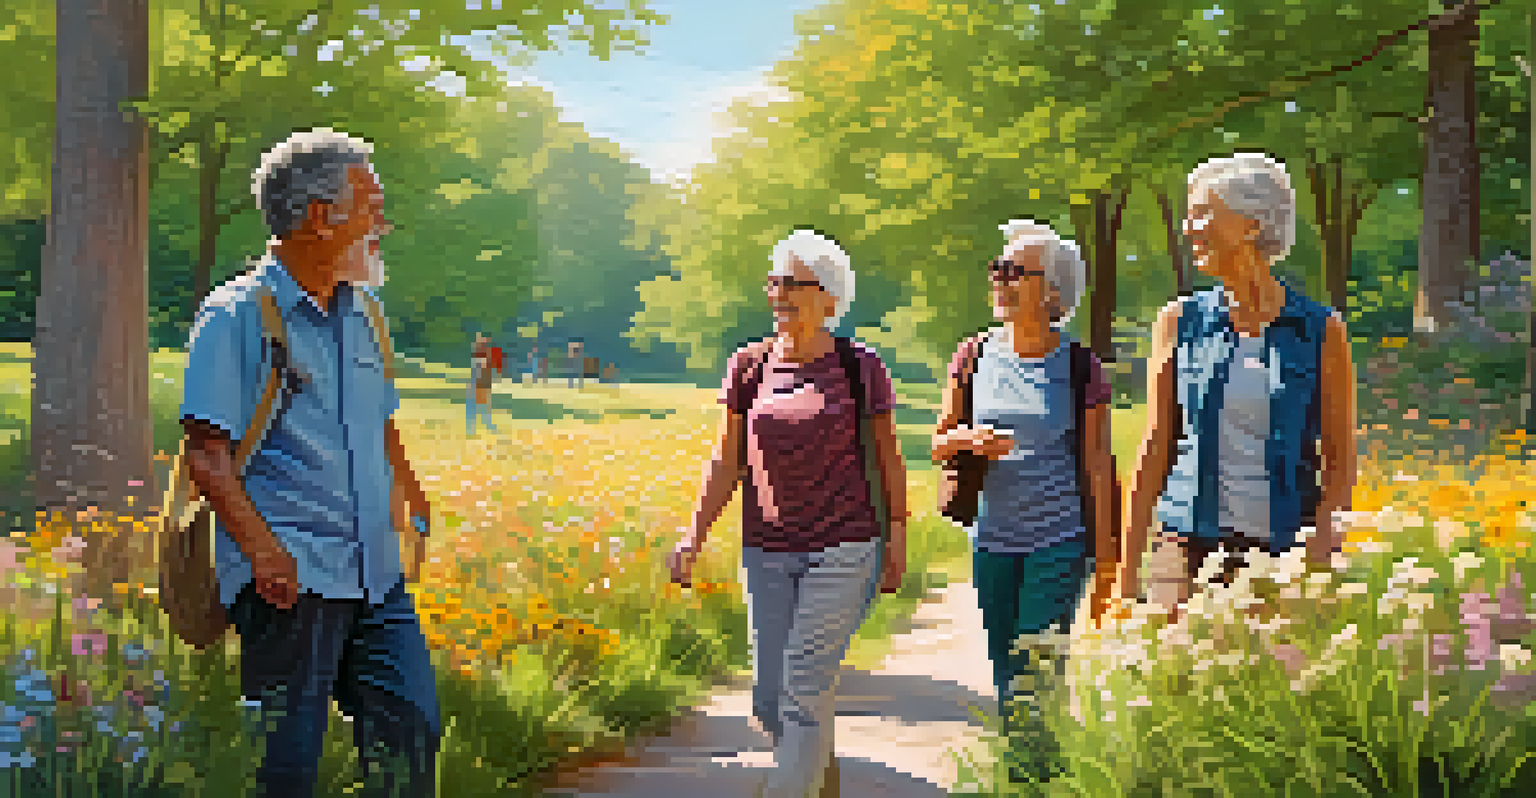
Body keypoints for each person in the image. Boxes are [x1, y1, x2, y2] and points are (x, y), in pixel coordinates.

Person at [180, 128, 439, 798]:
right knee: (286, 764)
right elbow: (206, 455)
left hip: (374, 575)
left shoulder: (366, 314)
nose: (384, 222)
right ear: (321, 218)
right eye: (373, 206)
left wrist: (410, 493)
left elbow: (380, 420)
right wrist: (264, 553)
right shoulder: (235, 315)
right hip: (290, 578)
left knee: (411, 727)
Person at [668, 229, 908, 798]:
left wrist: (896, 538)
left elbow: (889, 460)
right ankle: (819, 785)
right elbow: (726, 460)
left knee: (803, 684)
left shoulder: (859, 367)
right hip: (767, 549)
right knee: (770, 698)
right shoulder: (748, 366)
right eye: (773, 282)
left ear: (828, 298)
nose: (778, 293)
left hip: (844, 547)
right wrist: (694, 536)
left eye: (792, 283)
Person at [1117, 152, 1358, 620]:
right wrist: (1127, 576)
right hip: (1182, 545)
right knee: (1173, 686)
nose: (1190, 228)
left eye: (1203, 212)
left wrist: (1322, 557)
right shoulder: (1178, 322)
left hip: (1281, 549)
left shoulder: (1321, 330)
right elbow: (1155, 449)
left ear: (1251, 225)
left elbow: (1340, 462)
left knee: (1258, 689)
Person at [931, 220, 1116, 782]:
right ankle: (1031, 773)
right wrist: (970, 440)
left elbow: (1097, 466)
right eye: (998, 269)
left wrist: (1107, 559)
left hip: (1059, 541)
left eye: (1016, 272)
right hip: (992, 539)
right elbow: (939, 442)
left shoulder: (1079, 367)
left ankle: (1030, 777)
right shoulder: (974, 354)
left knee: (1039, 669)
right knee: (1006, 670)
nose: (1001, 280)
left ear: (1053, 292)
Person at [467, 333, 497, 435]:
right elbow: (479, 370)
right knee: (475, 407)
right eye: (483, 342)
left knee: (484, 406)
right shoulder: (478, 355)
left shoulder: (484, 354)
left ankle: (487, 424)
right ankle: (472, 427)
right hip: (477, 384)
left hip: (483, 384)